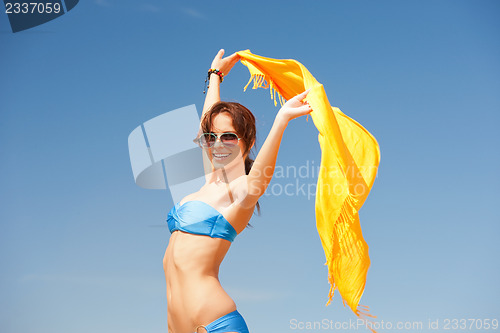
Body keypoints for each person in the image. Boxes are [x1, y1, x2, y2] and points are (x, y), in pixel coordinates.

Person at [163, 49, 312, 333]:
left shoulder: (239, 191)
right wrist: (215, 77)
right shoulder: (210, 181)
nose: (218, 144)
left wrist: (281, 121)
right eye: (212, 138)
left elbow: (258, 181)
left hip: (215, 324)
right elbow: (209, 120)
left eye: (229, 137)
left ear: (249, 140)